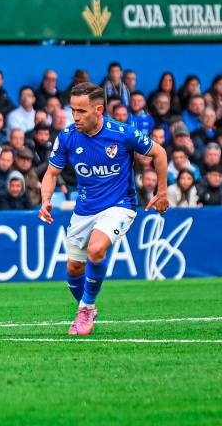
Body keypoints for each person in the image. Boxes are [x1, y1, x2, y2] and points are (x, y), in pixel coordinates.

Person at [39, 82, 169, 336]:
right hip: (84, 209)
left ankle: (86, 307)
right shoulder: (66, 136)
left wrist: (162, 192)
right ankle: (86, 308)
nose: (75, 116)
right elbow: (51, 173)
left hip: (120, 205)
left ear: (98, 110)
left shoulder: (122, 133)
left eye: (81, 111)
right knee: (73, 269)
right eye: (73, 110)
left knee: (96, 249)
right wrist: (45, 200)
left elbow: (160, 153)